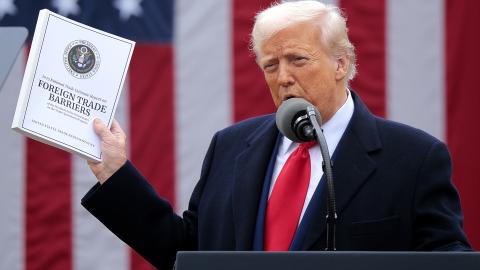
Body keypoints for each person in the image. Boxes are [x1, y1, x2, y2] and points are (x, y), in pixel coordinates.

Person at [82, 1, 471, 269]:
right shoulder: (230, 148)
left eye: (297, 59)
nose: (283, 77)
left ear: (342, 62)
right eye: (271, 64)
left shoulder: (413, 158)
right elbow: (185, 254)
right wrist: (115, 174)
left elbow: (445, 259)